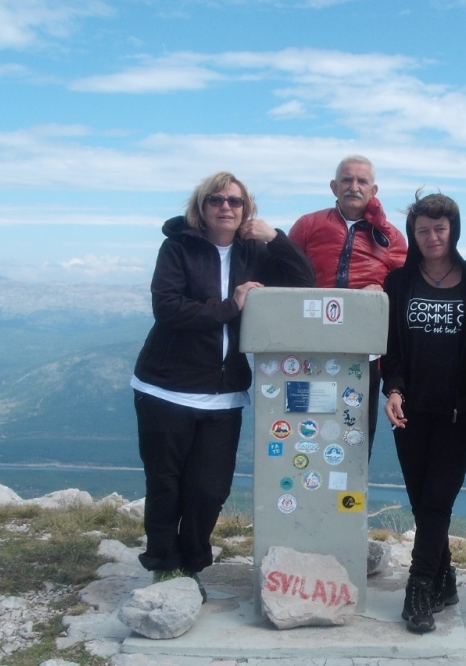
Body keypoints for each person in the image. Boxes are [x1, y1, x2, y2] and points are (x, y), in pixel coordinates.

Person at [131, 172, 314, 597]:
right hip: (165, 388)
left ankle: (192, 563)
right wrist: (232, 305)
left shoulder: (255, 251)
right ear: (201, 207)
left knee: (210, 489)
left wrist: (277, 238)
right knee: (166, 482)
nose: (226, 207)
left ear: (246, 209)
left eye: (235, 201)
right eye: (216, 200)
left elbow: (304, 282)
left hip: (225, 392)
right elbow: (168, 309)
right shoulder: (177, 247)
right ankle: (164, 562)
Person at [381, 192, 466, 633]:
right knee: (423, 504)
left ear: (454, 230)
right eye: (424, 229)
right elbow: (391, 347)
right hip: (410, 412)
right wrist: (391, 389)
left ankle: (418, 590)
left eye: (440, 228)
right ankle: (445, 579)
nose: (432, 237)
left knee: (436, 502)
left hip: (458, 415)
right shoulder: (399, 282)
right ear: (414, 234)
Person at [289, 155, 407, 459]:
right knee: (306, 436)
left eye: (362, 181)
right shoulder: (308, 225)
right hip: (311, 349)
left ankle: (349, 503)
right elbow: (284, 273)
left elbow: (406, 292)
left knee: (353, 440)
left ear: (373, 190)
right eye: (346, 180)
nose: (353, 187)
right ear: (334, 186)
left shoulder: (391, 237)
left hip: (363, 356)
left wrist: (382, 292)